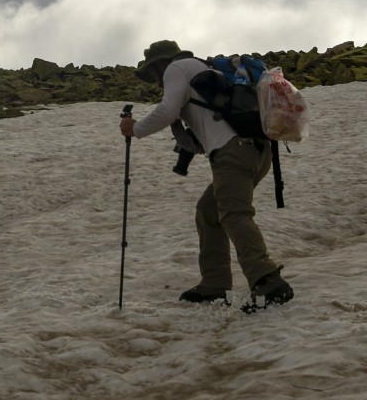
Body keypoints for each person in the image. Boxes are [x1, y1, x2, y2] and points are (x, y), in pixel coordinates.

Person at [119, 40, 294, 306]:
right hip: (257, 152)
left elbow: (168, 110)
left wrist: (135, 128)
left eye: (152, 72)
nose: (154, 79)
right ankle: (214, 283)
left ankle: (267, 279)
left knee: (234, 214)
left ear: (160, 64)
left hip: (233, 152)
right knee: (208, 211)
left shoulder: (176, 69)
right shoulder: (204, 70)